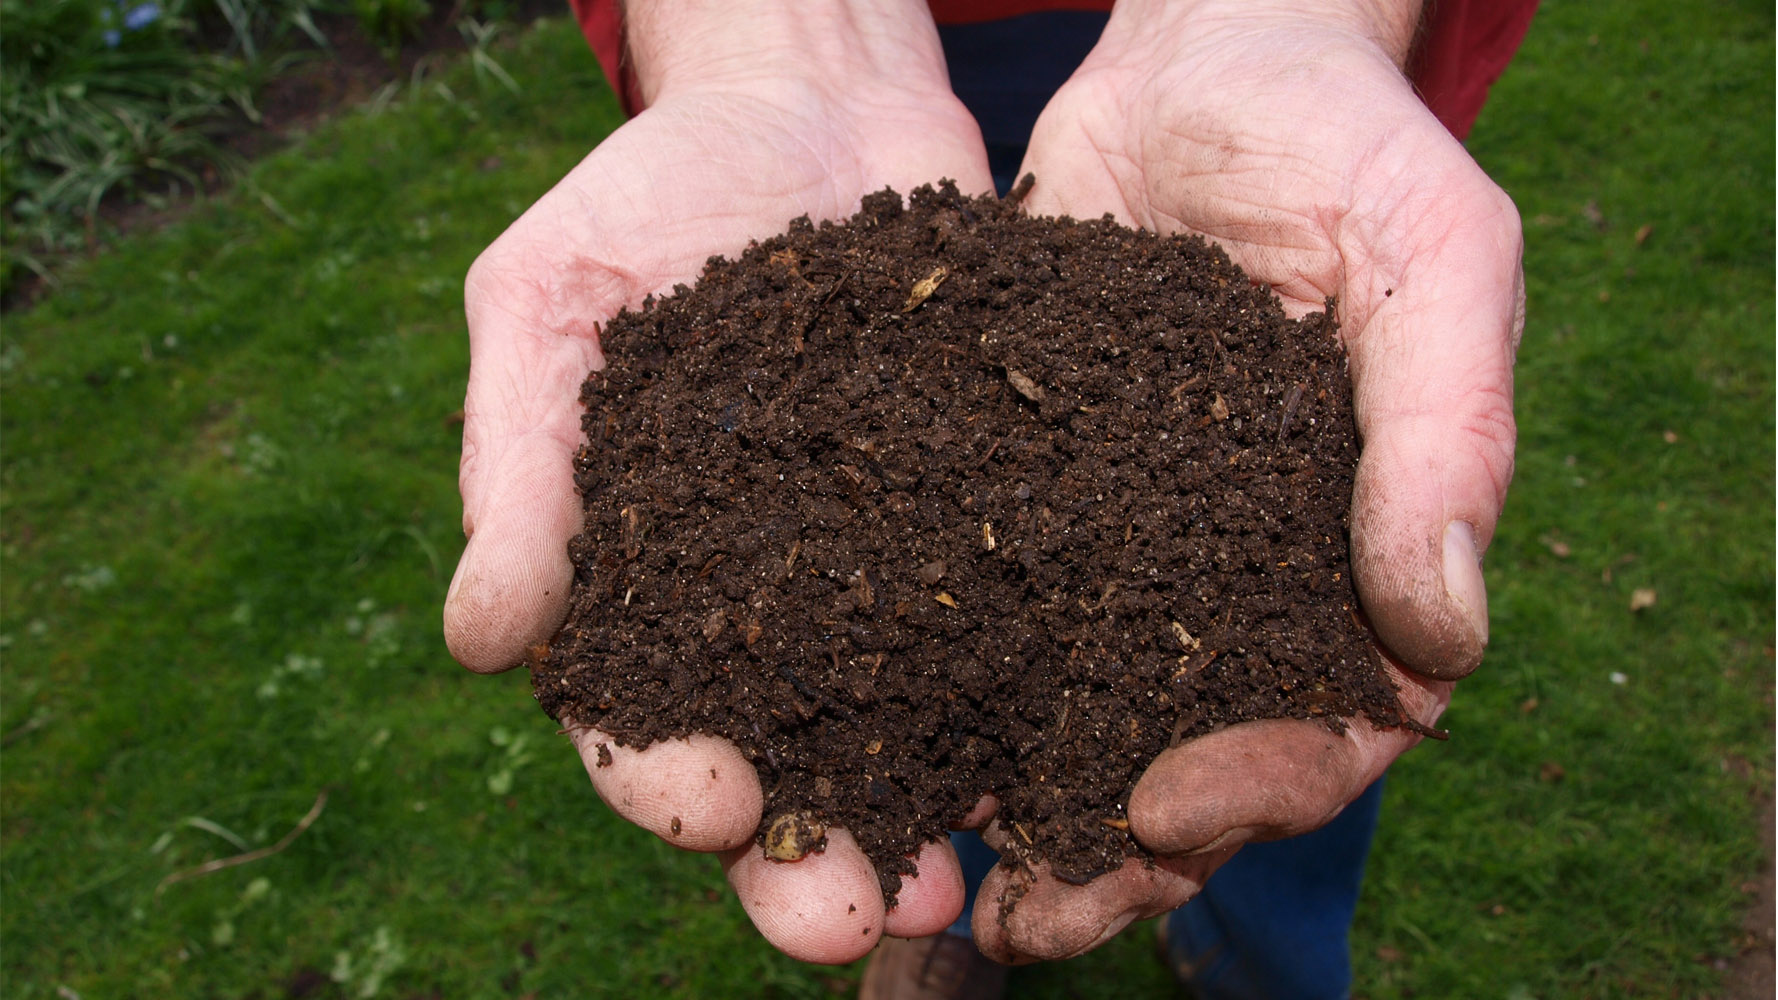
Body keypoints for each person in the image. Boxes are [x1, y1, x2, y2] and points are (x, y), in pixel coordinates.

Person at [442, 1, 1533, 996]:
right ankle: (944, 892)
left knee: (1285, 727)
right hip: (856, 58)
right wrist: (764, 34)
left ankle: (1257, 960)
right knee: (937, 715)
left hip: (1237, 50)